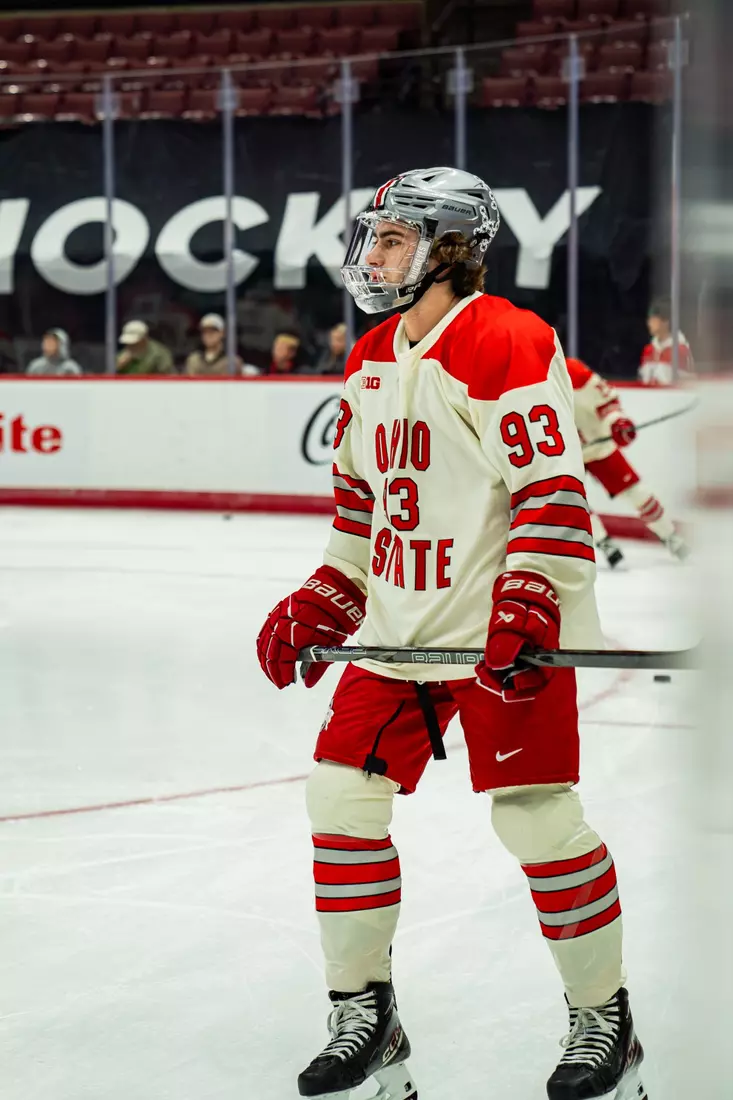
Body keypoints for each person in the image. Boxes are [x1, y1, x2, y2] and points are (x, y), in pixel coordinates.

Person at [256, 168, 646, 1100]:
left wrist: (525, 603)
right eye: (374, 238)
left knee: (535, 820)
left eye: (392, 239)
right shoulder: (372, 356)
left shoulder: (509, 339)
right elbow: (363, 512)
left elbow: (550, 494)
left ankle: (605, 1019)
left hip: (508, 632)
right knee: (339, 802)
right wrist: (326, 595)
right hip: (398, 635)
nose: (372, 255)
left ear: (449, 249)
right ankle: (366, 1012)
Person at [568, 356, 689, 566]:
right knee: (572, 499)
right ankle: (601, 540)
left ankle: (668, 534)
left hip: (597, 447)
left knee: (636, 492)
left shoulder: (573, 372)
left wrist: (617, 423)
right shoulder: (526, 380)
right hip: (565, 454)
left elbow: (607, 402)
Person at [638, 297, 694, 385]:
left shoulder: (680, 350)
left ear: (665, 321)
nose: (649, 323)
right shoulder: (648, 350)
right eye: (649, 319)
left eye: (653, 319)